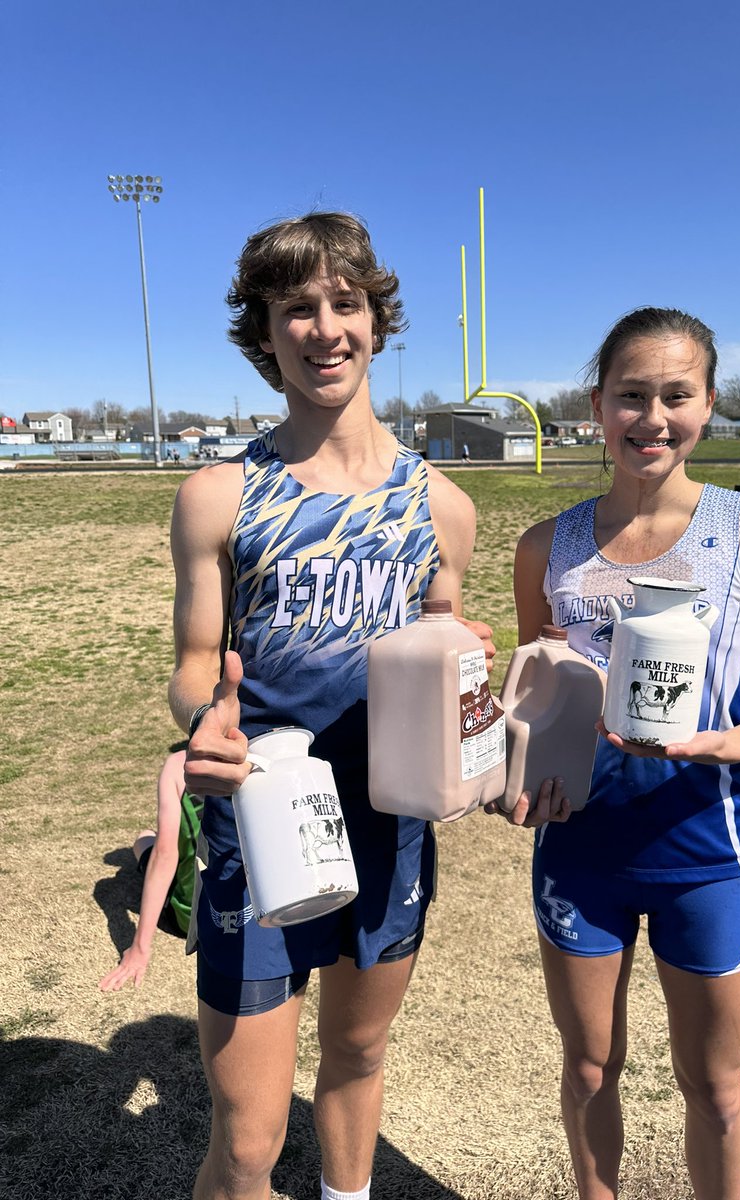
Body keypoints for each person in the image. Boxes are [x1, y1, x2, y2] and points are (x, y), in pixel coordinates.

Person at [168, 211, 493, 1200]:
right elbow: (191, 663)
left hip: (388, 832)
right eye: (295, 308)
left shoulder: (443, 506)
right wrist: (203, 723)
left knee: (355, 1064)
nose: (324, 327)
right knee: (252, 1141)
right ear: (263, 333)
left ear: (376, 321)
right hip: (261, 832)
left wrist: (480, 715)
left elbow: (446, 668)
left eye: (344, 302)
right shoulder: (220, 495)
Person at [491, 307, 740, 1200]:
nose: (653, 418)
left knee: (713, 1086)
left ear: (708, 404)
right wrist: (512, 773)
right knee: (591, 1070)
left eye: (676, 396)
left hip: (706, 851)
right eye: (631, 396)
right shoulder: (545, 546)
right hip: (579, 852)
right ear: (598, 406)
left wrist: (726, 744)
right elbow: (539, 698)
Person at [99, 748, 203, 991]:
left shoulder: (179, 764)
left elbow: (164, 856)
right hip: (252, 914)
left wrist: (140, 948)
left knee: (145, 839)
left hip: (193, 920)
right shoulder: (268, 754)